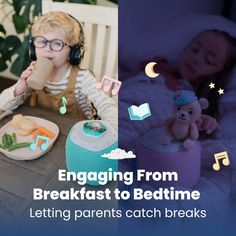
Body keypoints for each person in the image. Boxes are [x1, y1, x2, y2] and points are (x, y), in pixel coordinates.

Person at [0, 11, 117, 130]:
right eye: (42, 42)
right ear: (33, 48)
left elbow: (107, 105)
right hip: (46, 130)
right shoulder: (34, 72)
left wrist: (113, 130)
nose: (47, 49)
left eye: (57, 43)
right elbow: (2, 105)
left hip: (77, 133)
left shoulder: (83, 78)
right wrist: (20, 87)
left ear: (73, 52)